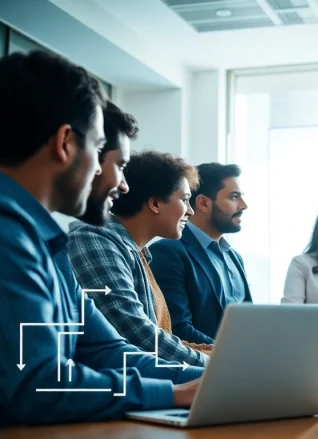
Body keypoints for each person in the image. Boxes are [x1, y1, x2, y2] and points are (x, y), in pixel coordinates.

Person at [0, 51, 201, 426]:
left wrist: (214, 379)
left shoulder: (48, 247)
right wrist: (172, 394)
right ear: (65, 143)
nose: (118, 183)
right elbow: (39, 384)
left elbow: (108, 350)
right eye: (97, 148)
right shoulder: (8, 235)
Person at [68, 150, 211, 367]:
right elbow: (136, 333)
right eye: (184, 200)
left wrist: (216, 353)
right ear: (155, 203)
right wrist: (213, 363)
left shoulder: (136, 252)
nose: (190, 211)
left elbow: (158, 337)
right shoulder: (93, 237)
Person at [149, 163, 252, 344]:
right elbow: (176, 329)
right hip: (201, 360)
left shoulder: (235, 257)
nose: (244, 205)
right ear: (203, 203)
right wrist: (232, 354)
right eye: (234, 197)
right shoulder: (168, 252)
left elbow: (250, 321)